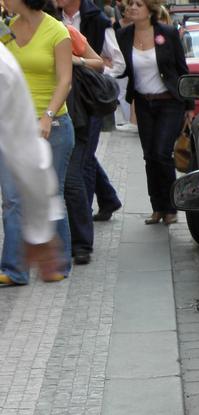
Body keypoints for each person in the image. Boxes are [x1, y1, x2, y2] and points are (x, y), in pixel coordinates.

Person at [1, 0, 73, 286]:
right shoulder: (6, 30)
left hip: (53, 126)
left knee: (50, 194)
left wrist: (47, 116)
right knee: (13, 199)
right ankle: (14, 268)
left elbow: (65, 80)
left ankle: (59, 260)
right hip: (14, 130)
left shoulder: (57, 31)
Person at [116, 0, 191, 224]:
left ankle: (170, 207)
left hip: (169, 102)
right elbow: (121, 68)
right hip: (143, 103)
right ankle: (157, 207)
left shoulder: (167, 32)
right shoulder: (124, 35)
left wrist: (188, 106)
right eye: (129, 4)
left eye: (138, 4)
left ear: (150, 9)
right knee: (149, 156)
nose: (132, 7)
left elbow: (182, 70)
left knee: (161, 152)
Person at [55, 0, 124, 222]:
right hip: (64, 100)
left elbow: (116, 63)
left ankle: (81, 221)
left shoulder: (98, 20)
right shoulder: (53, 17)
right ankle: (109, 198)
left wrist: (89, 78)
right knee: (84, 157)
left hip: (87, 100)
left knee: (80, 163)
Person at [61, 19, 105, 265]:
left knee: (72, 177)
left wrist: (76, 60)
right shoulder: (13, 32)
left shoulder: (64, 31)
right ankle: (109, 199)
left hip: (79, 114)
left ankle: (81, 243)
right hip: (38, 116)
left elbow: (99, 63)